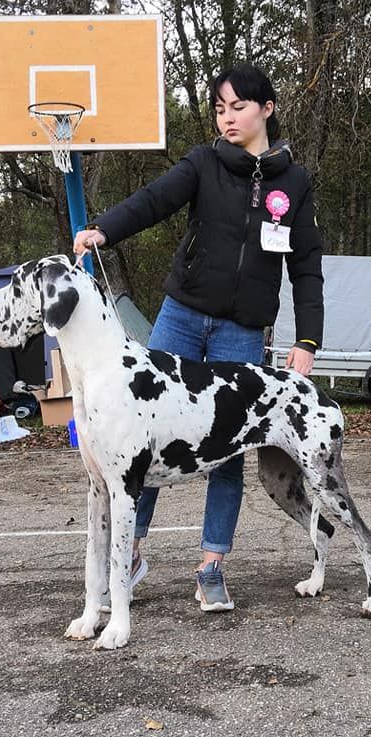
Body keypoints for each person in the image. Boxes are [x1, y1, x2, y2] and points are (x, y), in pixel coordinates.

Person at [73, 63, 324, 612]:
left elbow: (307, 266)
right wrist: (104, 229)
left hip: (241, 331)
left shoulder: (294, 183)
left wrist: (307, 341)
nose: (227, 117)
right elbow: (153, 200)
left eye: (238, 107)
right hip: (182, 316)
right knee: (144, 438)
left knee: (230, 453)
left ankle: (211, 566)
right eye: (219, 108)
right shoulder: (203, 163)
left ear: (267, 109)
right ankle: (130, 554)